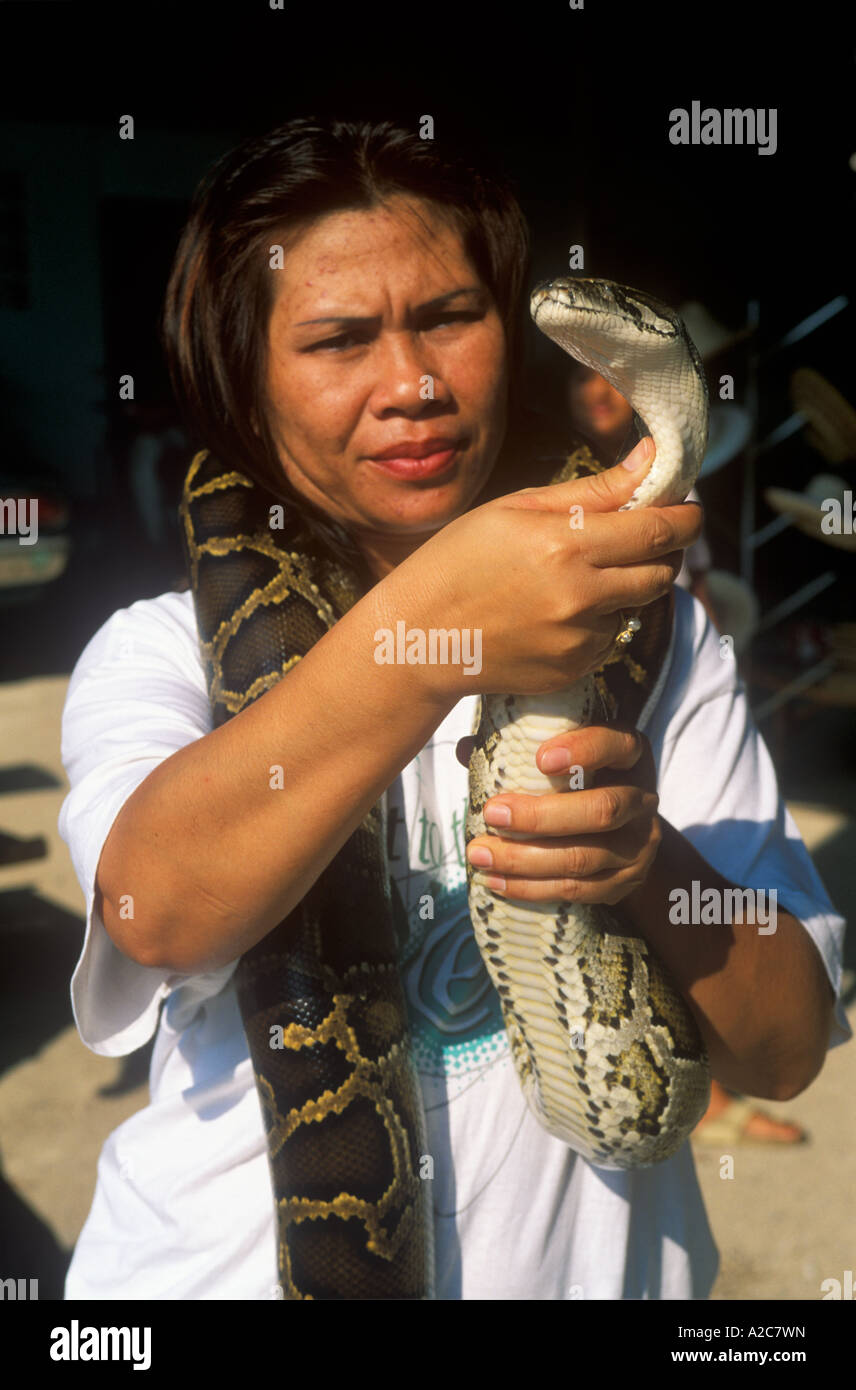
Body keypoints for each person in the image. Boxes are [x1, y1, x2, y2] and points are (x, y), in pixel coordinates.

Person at [58, 116, 849, 1301]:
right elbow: (154, 913)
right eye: (336, 339)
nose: (413, 387)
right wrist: (436, 638)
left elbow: (784, 1051)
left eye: (449, 317)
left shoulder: (658, 631)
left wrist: (639, 853)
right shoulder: (158, 651)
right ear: (243, 377)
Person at [565, 361, 809, 1146]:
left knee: (681, 874)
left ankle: (712, 1100)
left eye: (617, 385)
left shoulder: (668, 490)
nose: (605, 397)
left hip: (667, 647)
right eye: (588, 385)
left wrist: (690, 636)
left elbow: (687, 578)